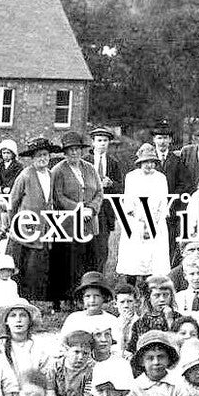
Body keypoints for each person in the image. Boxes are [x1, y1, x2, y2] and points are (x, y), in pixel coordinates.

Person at [49, 131, 104, 308]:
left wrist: (92, 208)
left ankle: (86, 296)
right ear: (65, 152)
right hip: (68, 225)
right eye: (70, 150)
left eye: (77, 149)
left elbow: (99, 192)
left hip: (89, 224)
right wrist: (79, 209)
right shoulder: (58, 171)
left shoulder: (90, 168)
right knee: (70, 262)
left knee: (89, 261)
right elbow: (58, 197)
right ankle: (68, 297)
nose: (74, 153)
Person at [7, 136, 60, 305]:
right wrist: (13, 224)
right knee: (20, 265)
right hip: (24, 228)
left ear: (49, 157)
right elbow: (13, 202)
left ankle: (35, 300)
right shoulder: (25, 175)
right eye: (38, 156)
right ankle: (19, 299)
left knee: (37, 267)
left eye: (45, 155)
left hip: (43, 229)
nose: (42, 159)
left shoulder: (51, 175)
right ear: (32, 158)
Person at [117, 143, 172, 281]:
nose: (149, 165)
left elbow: (163, 202)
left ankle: (149, 291)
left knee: (153, 260)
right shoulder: (131, 177)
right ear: (140, 163)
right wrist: (143, 220)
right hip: (136, 222)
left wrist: (153, 221)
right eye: (145, 162)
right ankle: (131, 289)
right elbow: (129, 204)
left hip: (156, 221)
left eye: (152, 162)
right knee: (134, 259)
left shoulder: (160, 178)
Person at [0, 299, 59, 378]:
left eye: (23, 315)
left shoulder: (39, 346)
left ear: (30, 320)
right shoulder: (0, 346)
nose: (18, 320)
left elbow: (47, 377)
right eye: (13, 315)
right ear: (6, 321)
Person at [89, 126, 123, 273]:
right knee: (87, 243)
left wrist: (111, 184)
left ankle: (99, 275)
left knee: (102, 246)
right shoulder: (86, 161)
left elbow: (121, 187)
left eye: (105, 141)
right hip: (89, 208)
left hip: (105, 210)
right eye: (99, 140)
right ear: (93, 143)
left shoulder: (113, 163)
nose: (102, 144)